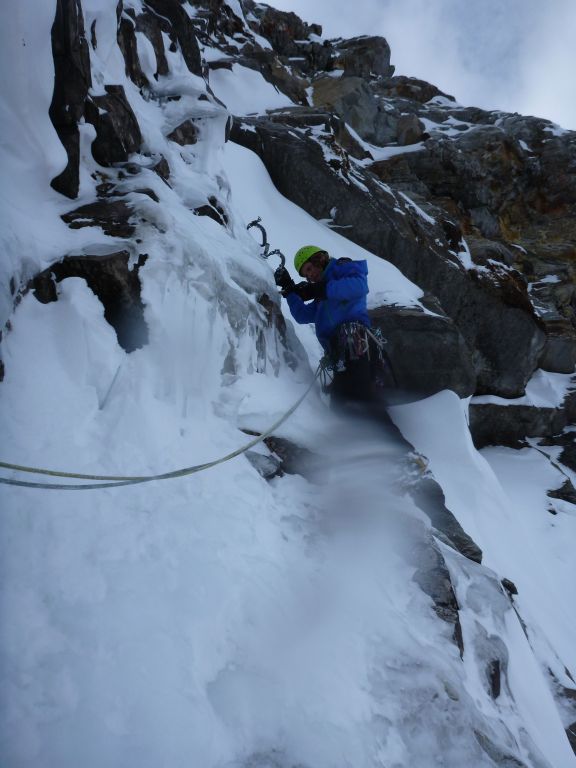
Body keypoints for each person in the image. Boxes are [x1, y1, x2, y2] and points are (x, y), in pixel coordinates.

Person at [274, 245, 380, 405]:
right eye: (306, 274)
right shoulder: (321, 299)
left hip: (354, 339)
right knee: (342, 404)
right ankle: (363, 427)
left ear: (319, 259)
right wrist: (289, 290)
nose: (310, 275)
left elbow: (359, 286)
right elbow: (302, 315)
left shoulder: (341, 268)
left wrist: (322, 289)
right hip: (339, 351)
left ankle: (378, 428)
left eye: (309, 268)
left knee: (361, 399)